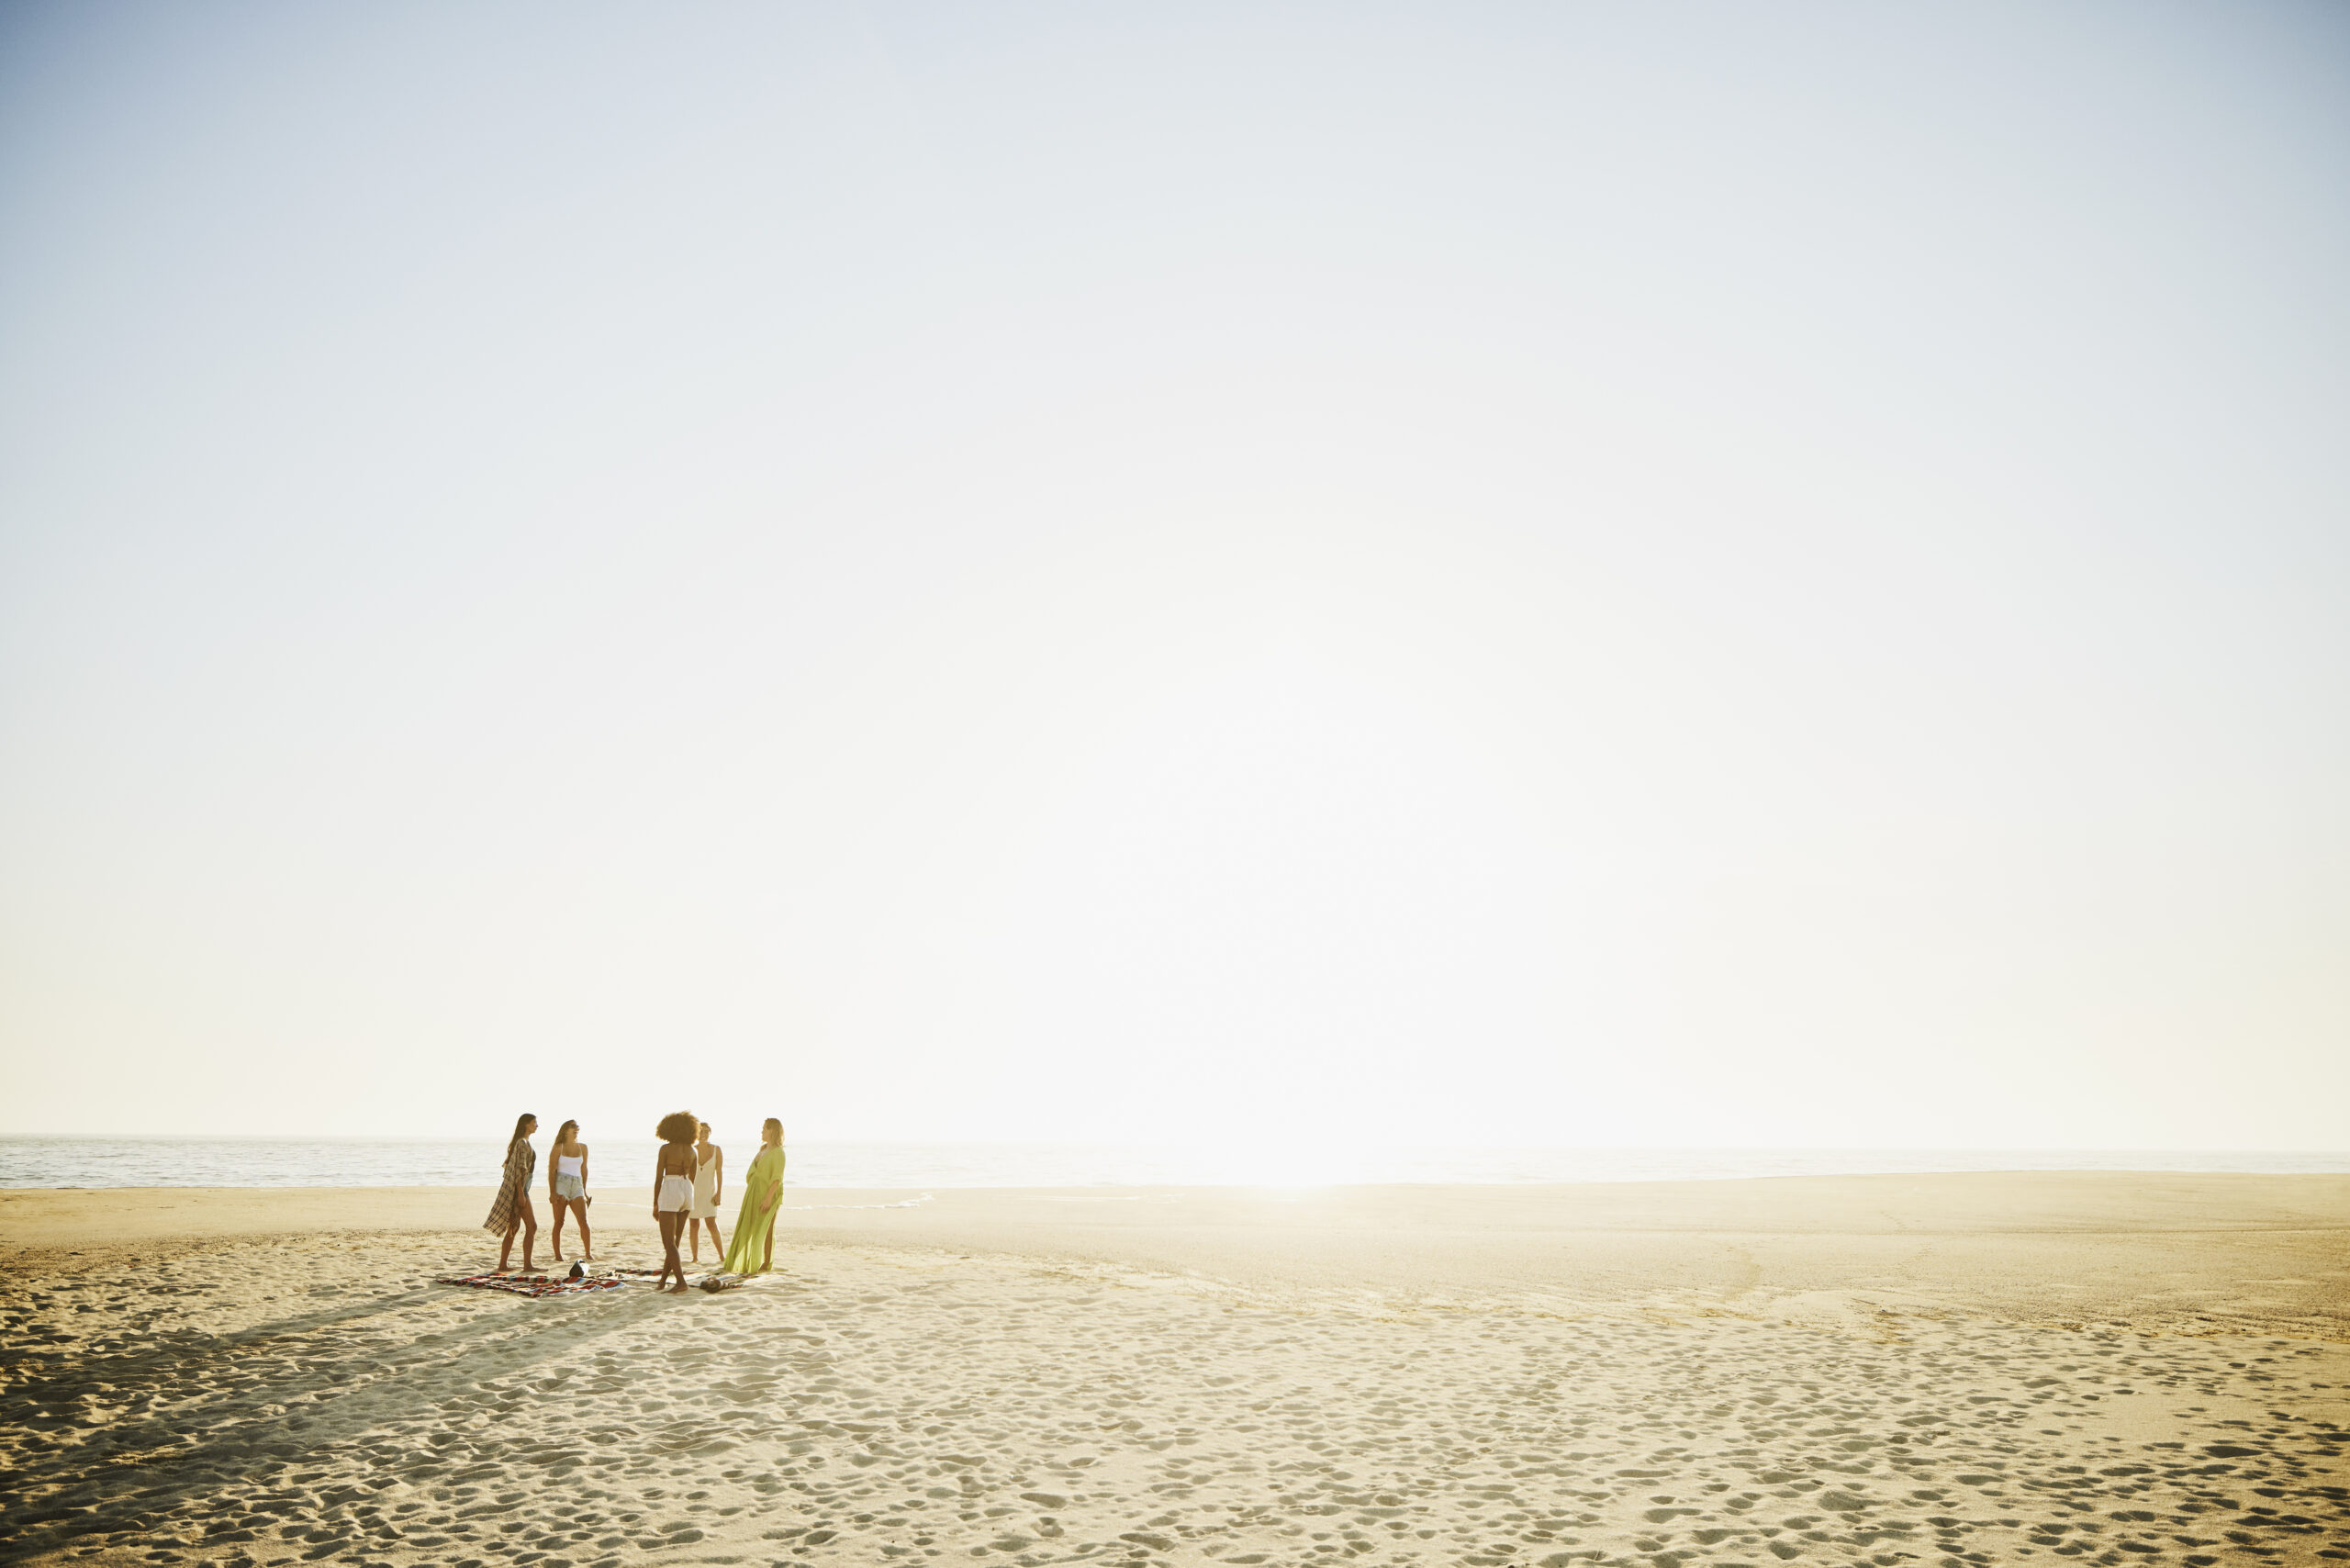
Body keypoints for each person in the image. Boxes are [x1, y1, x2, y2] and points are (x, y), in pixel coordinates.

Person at [720, 1118, 787, 1276]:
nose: (762, 1131)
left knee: (766, 1228)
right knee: (747, 1226)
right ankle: (737, 1260)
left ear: (772, 1131)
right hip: (753, 1193)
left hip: (768, 1194)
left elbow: (777, 1178)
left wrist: (768, 1198)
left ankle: (765, 1263)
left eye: (764, 1128)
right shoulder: (763, 1150)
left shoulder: (779, 1152)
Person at [652, 1111, 699, 1294]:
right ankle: (663, 1281)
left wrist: (656, 1203)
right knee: (675, 1243)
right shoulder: (692, 1150)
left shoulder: (666, 1149)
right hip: (687, 1188)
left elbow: (658, 1178)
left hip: (671, 1187)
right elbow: (692, 1177)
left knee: (668, 1242)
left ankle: (681, 1282)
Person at [484, 1113, 539, 1273]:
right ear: (526, 1124)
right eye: (534, 1122)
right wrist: (521, 1193)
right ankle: (527, 1265)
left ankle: (503, 1265)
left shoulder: (522, 1142)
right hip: (520, 1189)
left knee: (514, 1226)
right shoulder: (522, 1143)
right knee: (532, 1226)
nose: (537, 1125)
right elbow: (519, 1169)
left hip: (522, 1188)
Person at [547, 1119, 592, 1262]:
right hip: (561, 1184)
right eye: (573, 1126)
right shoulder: (557, 1148)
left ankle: (588, 1253)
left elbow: (584, 1169)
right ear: (565, 1130)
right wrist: (552, 1192)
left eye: (577, 1126)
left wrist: (584, 1191)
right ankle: (558, 1255)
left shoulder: (583, 1148)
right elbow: (552, 1171)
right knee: (559, 1222)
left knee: (583, 1221)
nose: (576, 1128)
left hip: (577, 1185)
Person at [688, 1121, 724, 1262]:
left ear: (710, 1133)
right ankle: (695, 1258)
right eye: (701, 1131)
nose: (703, 1134)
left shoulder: (716, 1149)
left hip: (710, 1191)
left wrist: (719, 1193)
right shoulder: (691, 1149)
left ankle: (722, 1256)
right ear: (696, 1133)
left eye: (706, 1131)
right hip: (693, 1192)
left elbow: (719, 1173)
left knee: (711, 1223)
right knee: (694, 1225)